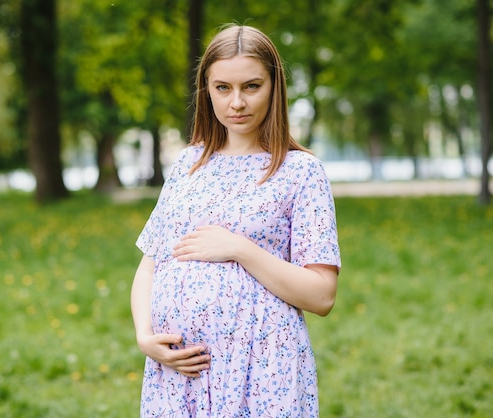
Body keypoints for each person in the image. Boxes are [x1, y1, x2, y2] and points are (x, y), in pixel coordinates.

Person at [131, 24, 341, 417]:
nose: (237, 102)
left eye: (252, 86)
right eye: (223, 88)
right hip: (180, 374)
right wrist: (146, 336)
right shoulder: (187, 164)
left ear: (274, 87)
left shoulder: (300, 172)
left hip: (261, 369)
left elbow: (322, 295)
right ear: (206, 89)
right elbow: (151, 263)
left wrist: (240, 249)